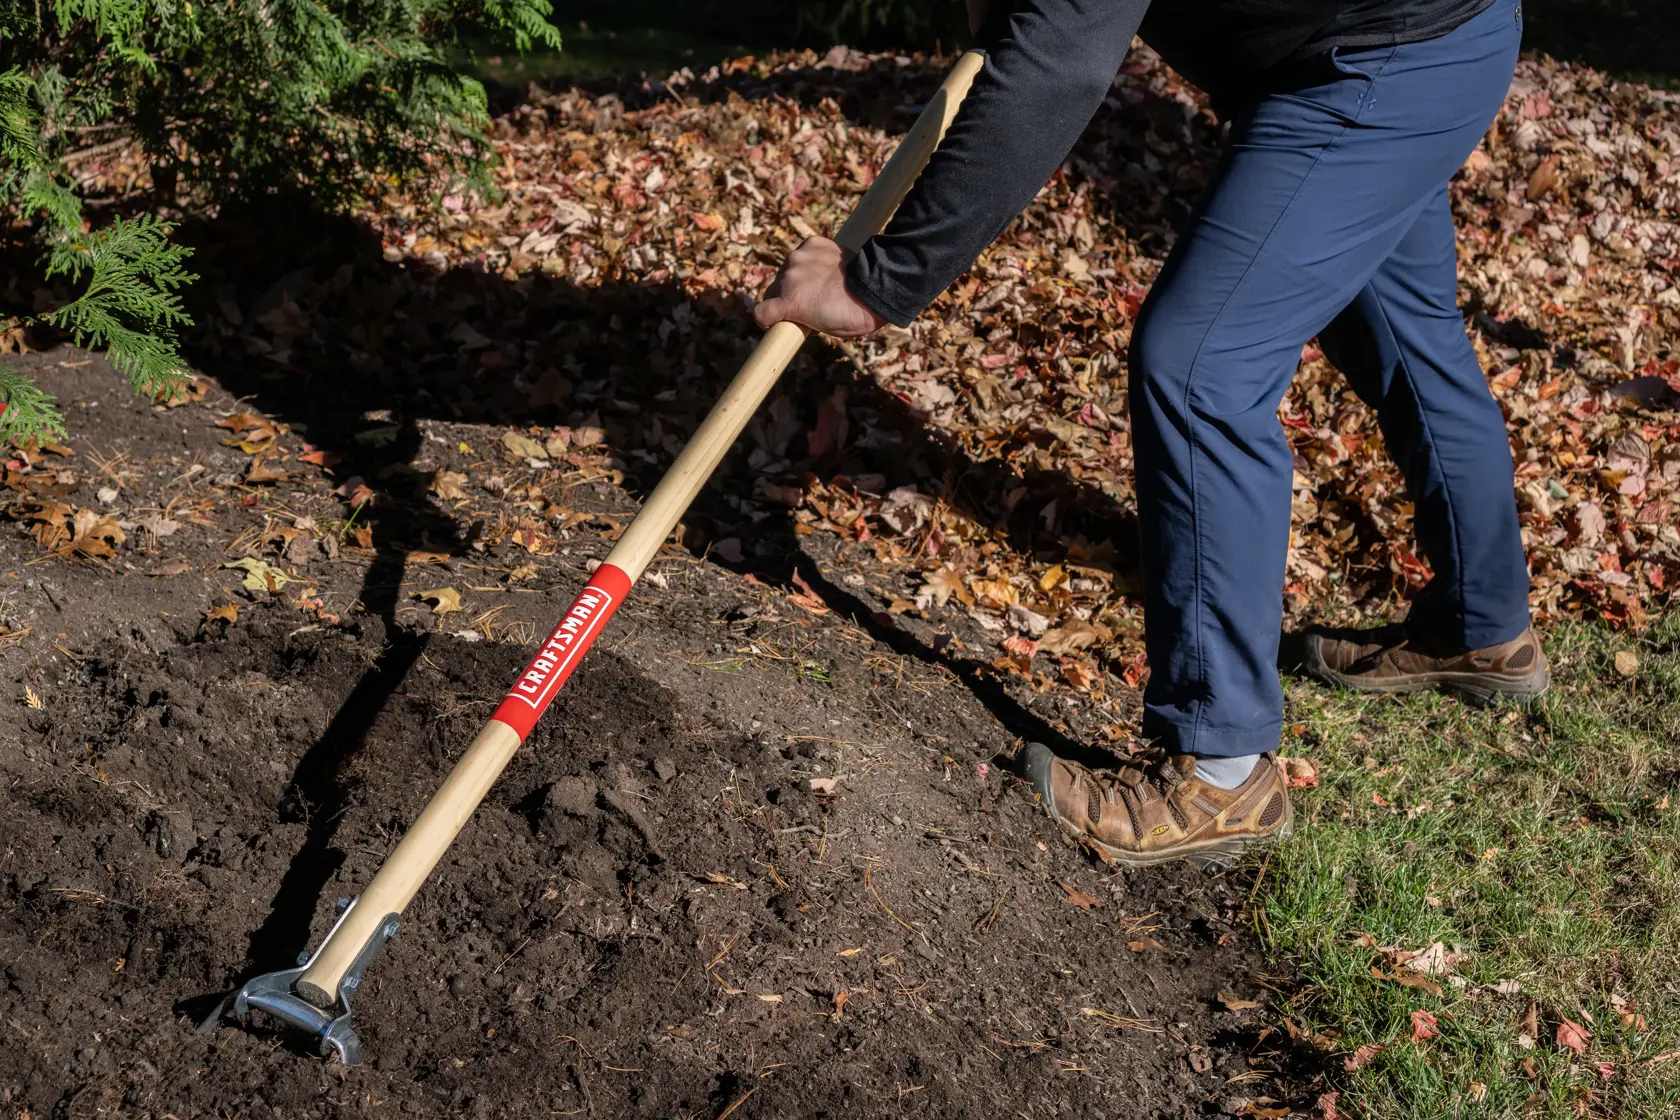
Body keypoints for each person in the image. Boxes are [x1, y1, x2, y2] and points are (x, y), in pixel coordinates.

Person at [754, 0, 1549, 868]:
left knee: (1201, 366)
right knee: (1402, 329)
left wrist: (878, 286)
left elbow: (1060, 65)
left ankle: (1223, 771)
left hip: (1382, 62)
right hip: (1420, 41)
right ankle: (1483, 628)